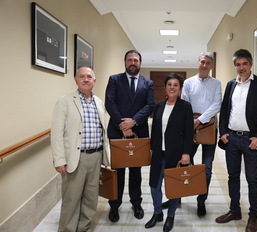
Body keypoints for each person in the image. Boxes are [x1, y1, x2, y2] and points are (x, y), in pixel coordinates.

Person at [216, 49, 257, 232]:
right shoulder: (231, 85)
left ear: (251, 64)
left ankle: (253, 215)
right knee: (232, 176)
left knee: (252, 179)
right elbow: (224, 111)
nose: (241, 68)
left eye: (244, 64)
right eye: (238, 64)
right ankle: (234, 210)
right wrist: (223, 132)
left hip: (251, 141)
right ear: (235, 66)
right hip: (232, 139)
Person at [51, 67, 110, 232]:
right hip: (76, 158)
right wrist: (59, 159)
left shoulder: (99, 102)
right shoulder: (65, 101)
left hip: (96, 156)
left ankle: (83, 227)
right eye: (82, 76)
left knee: (91, 199)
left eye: (89, 77)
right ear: (76, 80)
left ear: (94, 81)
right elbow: (56, 133)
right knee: (71, 199)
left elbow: (103, 131)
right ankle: (68, 229)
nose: (86, 79)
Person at [162, 52, 221, 217]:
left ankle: (201, 200)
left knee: (206, 169)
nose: (204, 65)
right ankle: (177, 198)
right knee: (184, 163)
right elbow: (185, 103)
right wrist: (192, 122)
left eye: (208, 63)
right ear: (198, 63)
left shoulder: (216, 83)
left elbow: (217, 104)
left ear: (211, 66)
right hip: (189, 129)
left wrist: (200, 120)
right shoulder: (188, 83)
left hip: (209, 129)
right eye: (202, 62)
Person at [105, 50, 155, 223]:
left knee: (136, 171)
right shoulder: (114, 79)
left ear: (140, 63)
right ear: (125, 62)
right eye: (129, 60)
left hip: (138, 132)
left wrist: (133, 122)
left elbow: (150, 105)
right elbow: (109, 103)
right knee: (117, 171)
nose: (132, 62)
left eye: (136, 60)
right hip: (117, 133)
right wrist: (122, 124)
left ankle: (136, 203)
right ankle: (114, 205)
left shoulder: (147, 83)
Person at [145, 73, 194, 232]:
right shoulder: (158, 105)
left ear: (180, 89)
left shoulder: (185, 106)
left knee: (174, 187)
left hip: (177, 154)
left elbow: (188, 131)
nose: (172, 87)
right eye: (169, 84)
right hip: (159, 153)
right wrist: (152, 149)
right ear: (165, 88)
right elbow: (155, 130)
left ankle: (170, 215)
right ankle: (157, 212)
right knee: (154, 185)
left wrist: (186, 153)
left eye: (175, 85)